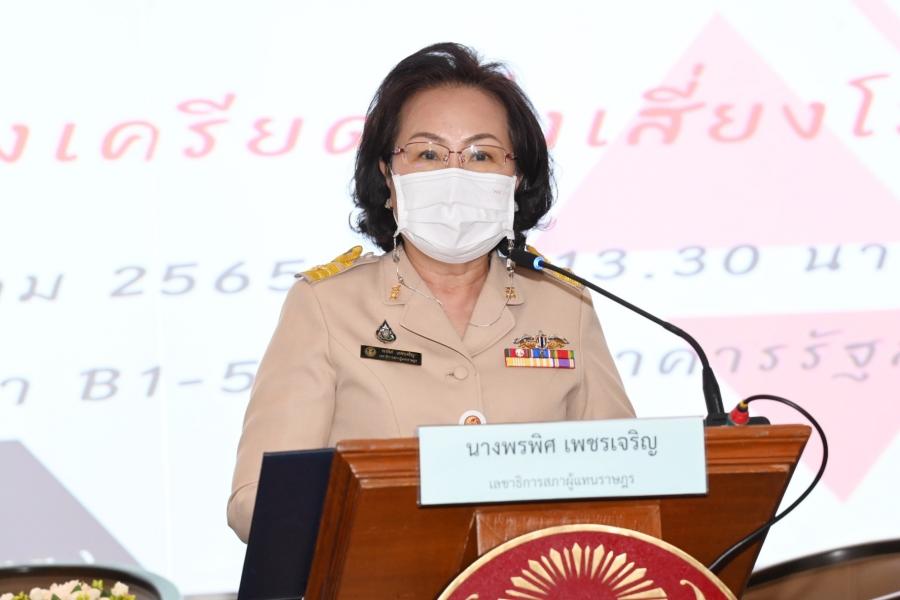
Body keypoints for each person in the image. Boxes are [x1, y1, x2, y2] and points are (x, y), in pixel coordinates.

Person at [227, 43, 634, 542]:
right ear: (388, 176)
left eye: (482, 155)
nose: (454, 175)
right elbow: (256, 501)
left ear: (517, 177)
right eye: (427, 153)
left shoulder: (565, 304)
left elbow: (631, 480)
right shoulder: (326, 306)